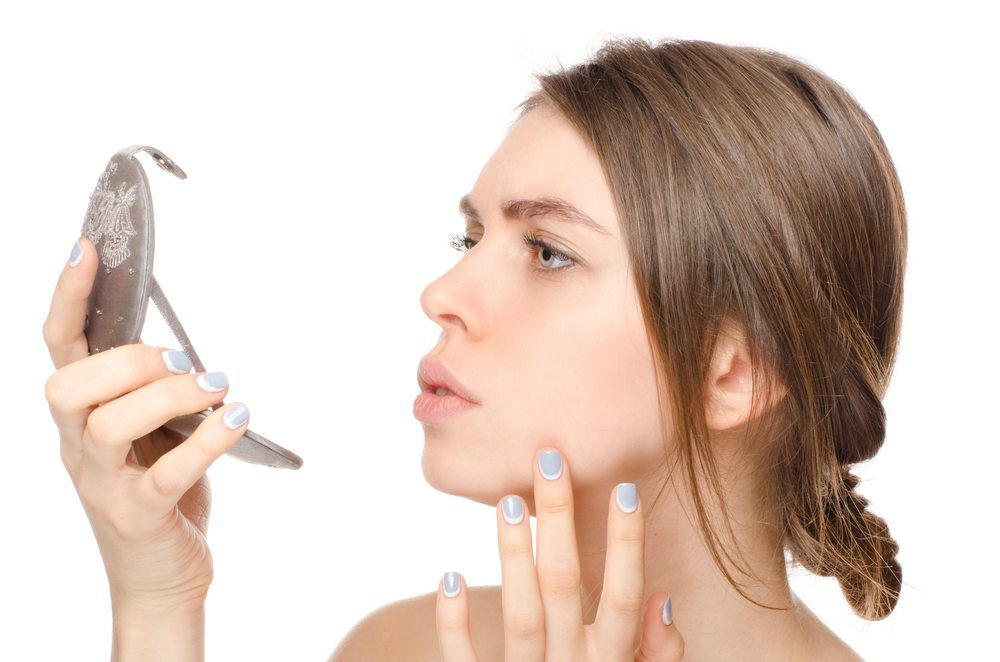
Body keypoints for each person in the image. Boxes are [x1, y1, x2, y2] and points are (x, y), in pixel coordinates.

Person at [43, 36, 904, 661]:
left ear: (735, 371)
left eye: (549, 253)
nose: (441, 296)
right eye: (471, 239)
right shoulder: (399, 648)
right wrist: (157, 601)